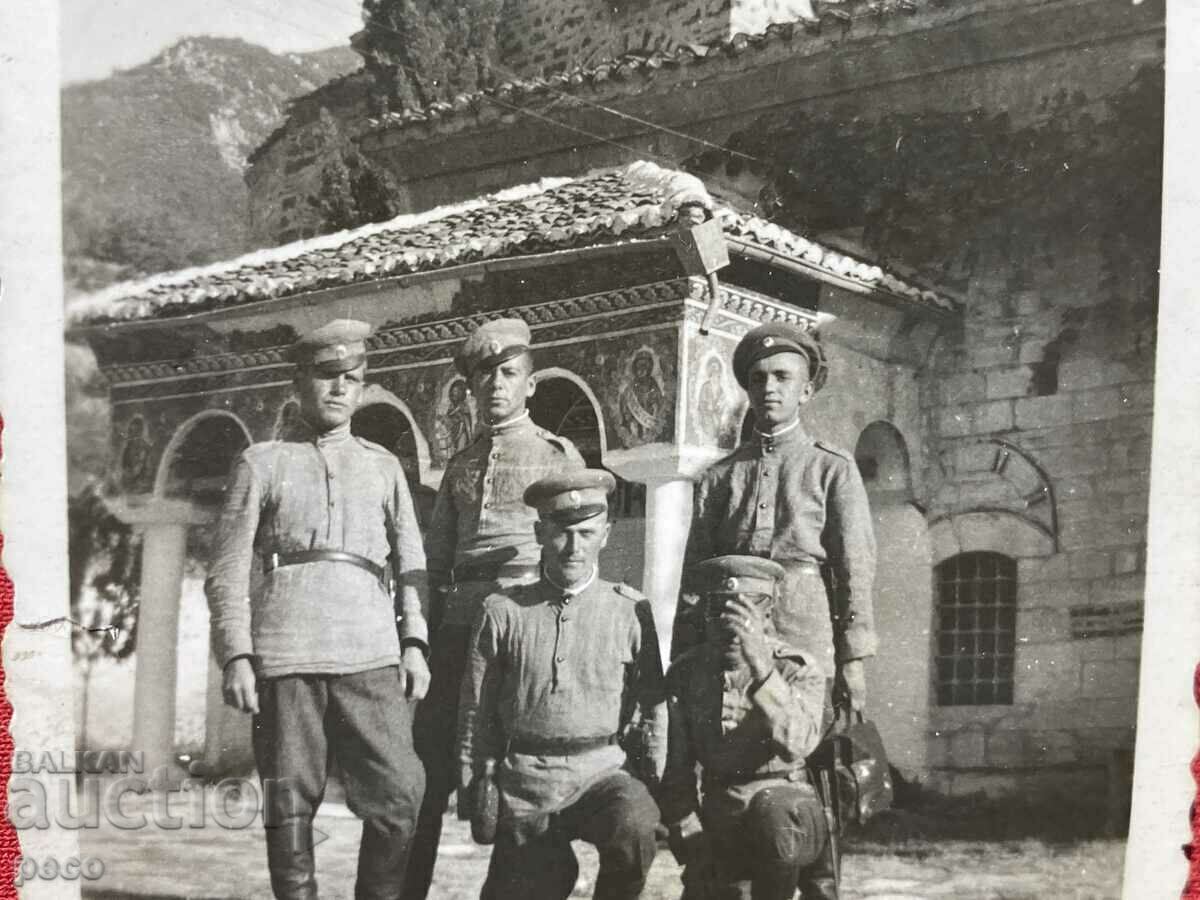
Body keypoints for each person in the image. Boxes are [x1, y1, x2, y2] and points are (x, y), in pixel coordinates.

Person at [205, 319, 431, 900]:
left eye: (351, 378)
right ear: (298, 382)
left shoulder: (383, 465)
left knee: (401, 792)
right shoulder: (262, 462)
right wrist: (237, 653)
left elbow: (412, 561)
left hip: (369, 647)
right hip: (286, 647)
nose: (338, 388)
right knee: (289, 799)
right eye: (325, 376)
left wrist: (414, 642)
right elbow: (228, 568)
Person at [405, 317, 585, 898]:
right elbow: (434, 565)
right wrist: (422, 640)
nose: (496, 387)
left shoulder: (556, 454)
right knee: (428, 768)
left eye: (508, 374)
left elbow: (572, 549)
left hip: (523, 628)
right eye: (484, 378)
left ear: (531, 383)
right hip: (459, 626)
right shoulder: (460, 464)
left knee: (518, 768)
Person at [457, 469, 667, 900]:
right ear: (539, 532)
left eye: (587, 533)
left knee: (635, 824)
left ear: (605, 535)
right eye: (561, 533)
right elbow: (476, 707)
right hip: (525, 783)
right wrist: (474, 780)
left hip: (601, 773)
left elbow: (652, 704)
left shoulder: (629, 610)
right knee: (529, 884)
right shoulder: (503, 611)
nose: (574, 547)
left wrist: (653, 776)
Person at [672, 323, 877, 715]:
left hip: (805, 629)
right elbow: (694, 578)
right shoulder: (719, 478)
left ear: (806, 391)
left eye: (782, 377)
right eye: (758, 379)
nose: (769, 387)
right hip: (731, 630)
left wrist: (853, 660)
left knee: (807, 739)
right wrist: (684, 657)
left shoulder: (830, 468)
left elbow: (856, 569)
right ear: (747, 391)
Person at [661, 555, 835, 900]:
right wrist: (688, 831)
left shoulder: (795, 669)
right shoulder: (687, 673)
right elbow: (674, 768)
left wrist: (762, 669)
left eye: (743, 618)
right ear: (705, 615)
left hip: (788, 815)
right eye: (718, 615)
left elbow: (797, 744)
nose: (730, 629)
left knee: (772, 814)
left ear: (766, 616)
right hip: (722, 815)